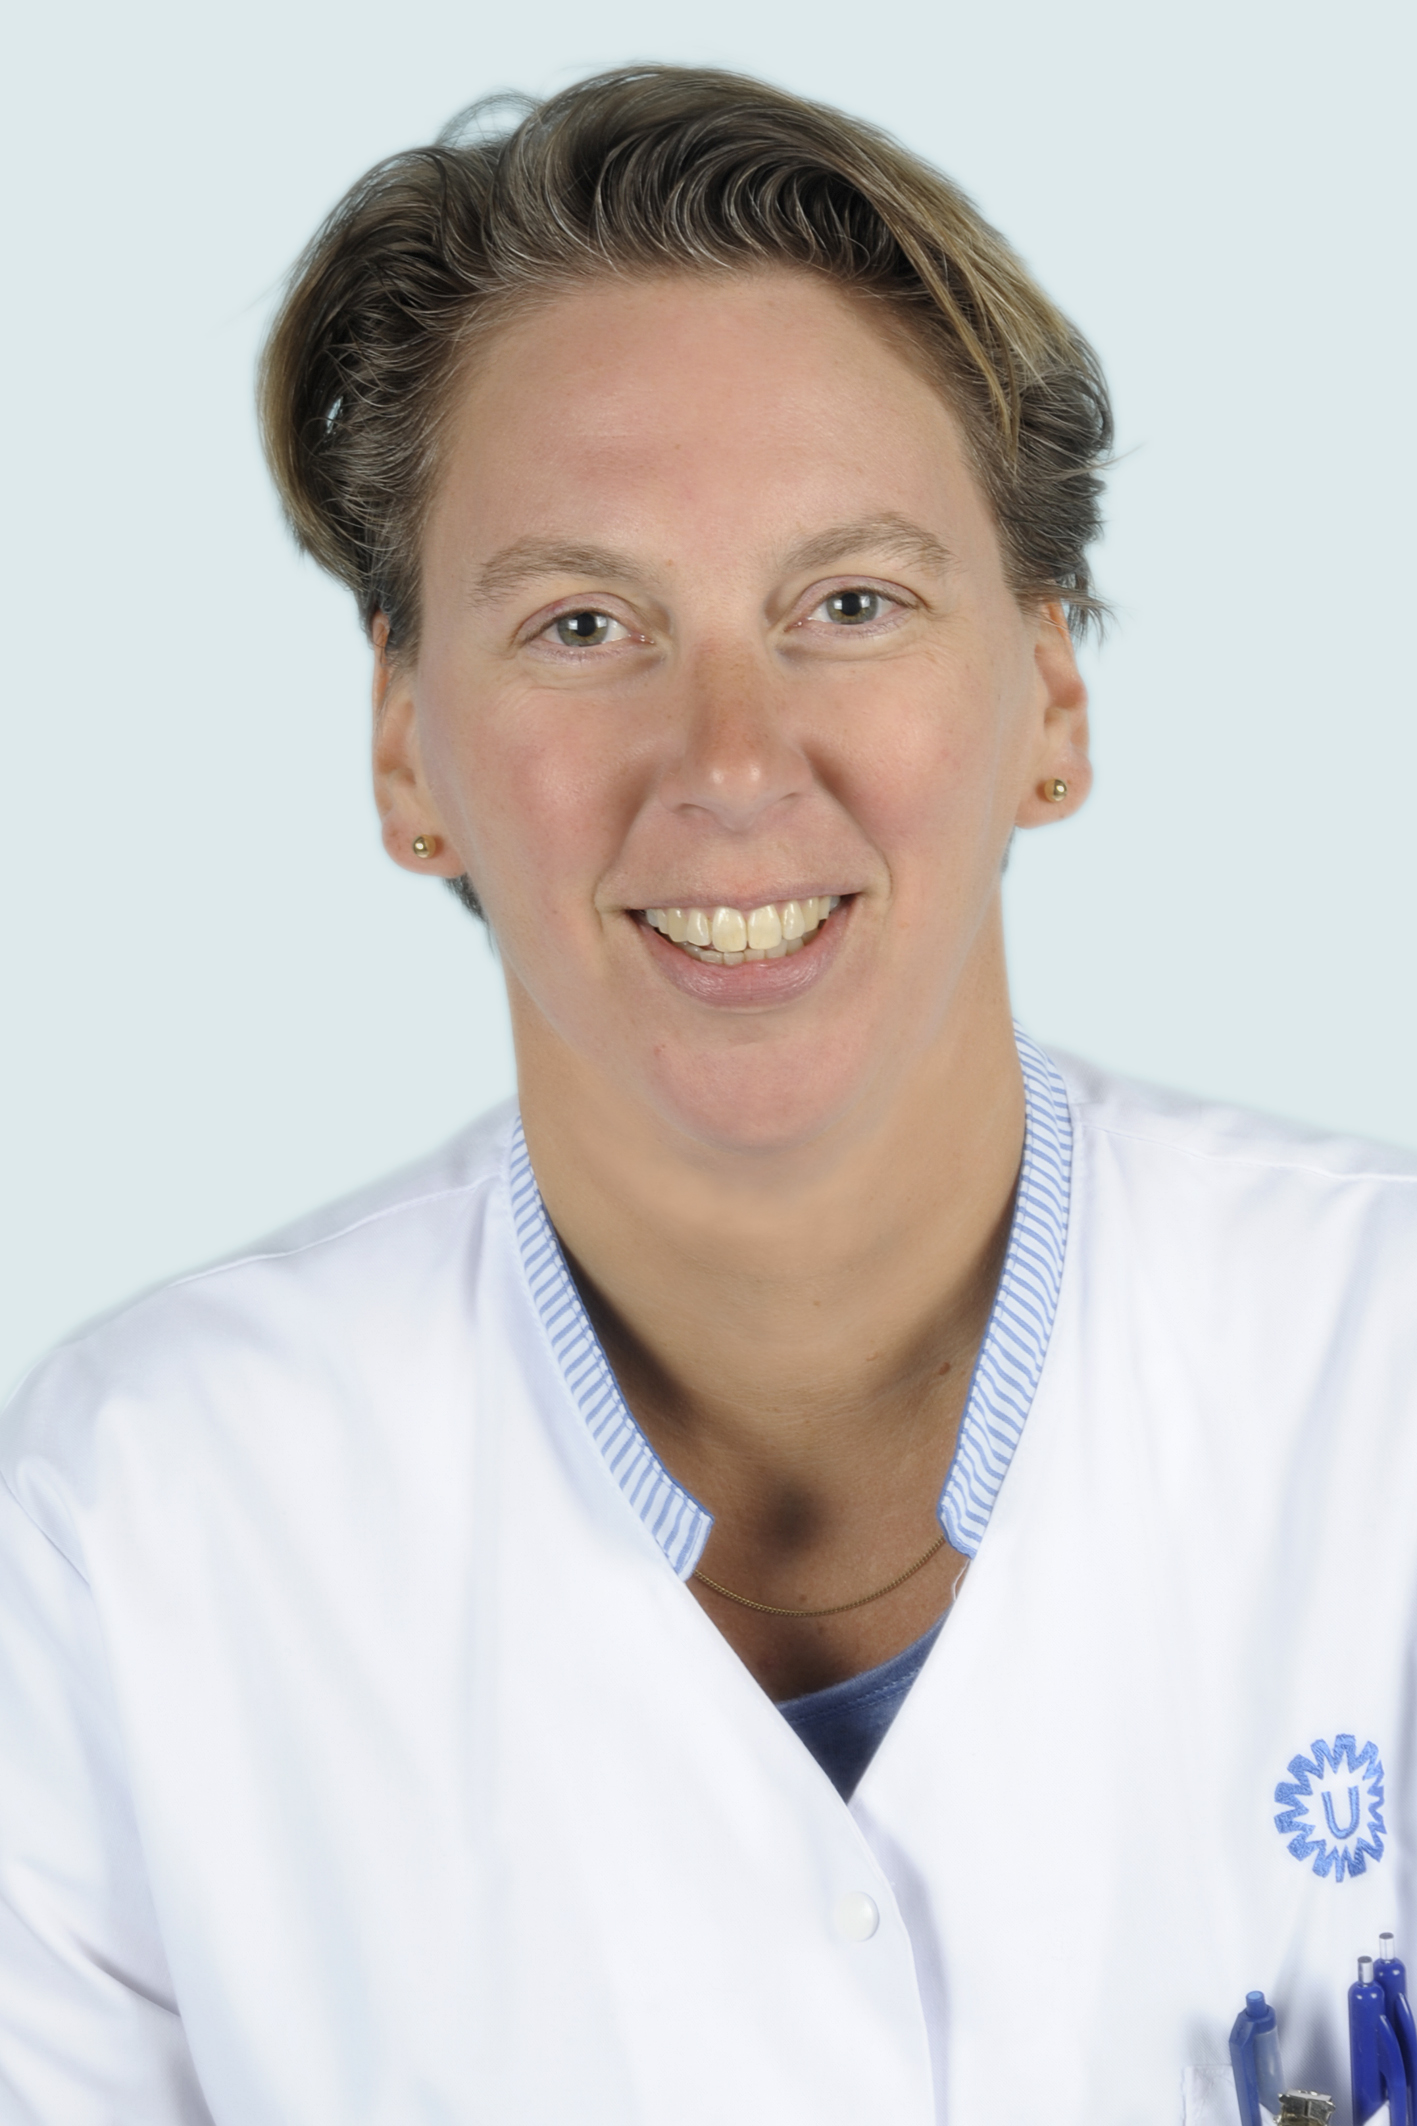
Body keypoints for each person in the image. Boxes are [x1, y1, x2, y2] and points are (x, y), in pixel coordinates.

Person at [1, 64, 1413, 2126]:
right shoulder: (142, 1529)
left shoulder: (1383, 1385)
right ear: (405, 746)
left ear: (1050, 694)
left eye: (850, 603)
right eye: (583, 622)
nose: (731, 760)